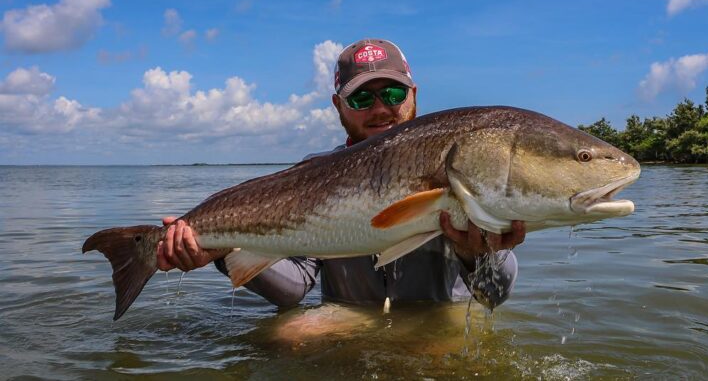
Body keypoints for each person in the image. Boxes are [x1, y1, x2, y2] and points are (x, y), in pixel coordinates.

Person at [157, 39, 526, 310]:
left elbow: (493, 296)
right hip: (347, 330)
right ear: (339, 104)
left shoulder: (462, 165)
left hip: (436, 331)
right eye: (362, 99)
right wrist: (224, 252)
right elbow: (293, 289)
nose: (380, 108)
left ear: (413, 94)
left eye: (393, 93)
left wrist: (476, 255)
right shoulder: (315, 175)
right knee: (292, 335)